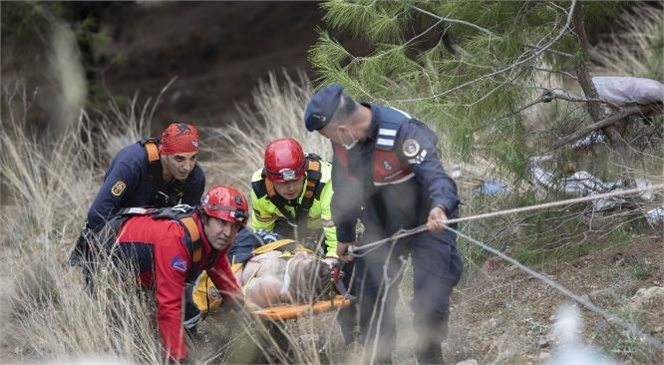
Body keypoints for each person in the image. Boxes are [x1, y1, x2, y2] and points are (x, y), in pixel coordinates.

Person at [304, 84, 464, 364]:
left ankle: (429, 355)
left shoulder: (402, 132)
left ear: (342, 128)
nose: (327, 139)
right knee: (370, 296)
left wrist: (440, 207)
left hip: (429, 221)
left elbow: (437, 178)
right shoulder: (343, 142)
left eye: (325, 134)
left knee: (430, 300)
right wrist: (345, 234)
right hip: (382, 226)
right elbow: (344, 189)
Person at [83, 185, 247, 364]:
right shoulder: (176, 239)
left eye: (235, 227)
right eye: (222, 223)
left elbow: (220, 268)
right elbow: (169, 305)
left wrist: (242, 309)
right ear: (206, 216)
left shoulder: (213, 238)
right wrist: (178, 358)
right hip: (102, 266)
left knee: (189, 321)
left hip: (143, 273)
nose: (228, 233)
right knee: (129, 345)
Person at [70, 122, 205, 264]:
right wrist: (116, 255)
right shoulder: (132, 163)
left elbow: (190, 226)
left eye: (193, 158)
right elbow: (98, 213)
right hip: (117, 231)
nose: (187, 167)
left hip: (157, 236)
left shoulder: (195, 177)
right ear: (163, 152)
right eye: (179, 159)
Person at [249, 137, 338, 265]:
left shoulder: (326, 182)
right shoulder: (260, 189)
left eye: (295, 180)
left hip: (324, 228)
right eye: (283, 183)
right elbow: (262, 233)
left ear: (304, 173)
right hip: (287, 226)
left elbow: (335, 234)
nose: (291, 188)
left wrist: (332, 260)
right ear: (270, 179)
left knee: (345, 263)